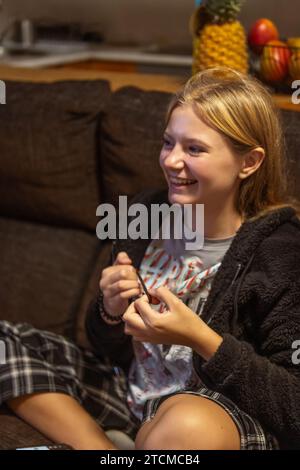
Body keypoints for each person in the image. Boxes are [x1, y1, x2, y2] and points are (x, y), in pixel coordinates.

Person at [1, 67, 300, 450]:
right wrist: (110, 309)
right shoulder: (148, 212)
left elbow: (293, 405)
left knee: (187, 425)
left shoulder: (281, 254)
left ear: (249, 162)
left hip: (213, 415)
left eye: (194, 149)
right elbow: (108, 346)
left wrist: (201, 339)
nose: (171, 161)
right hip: (132, 397)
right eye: (167, 143)